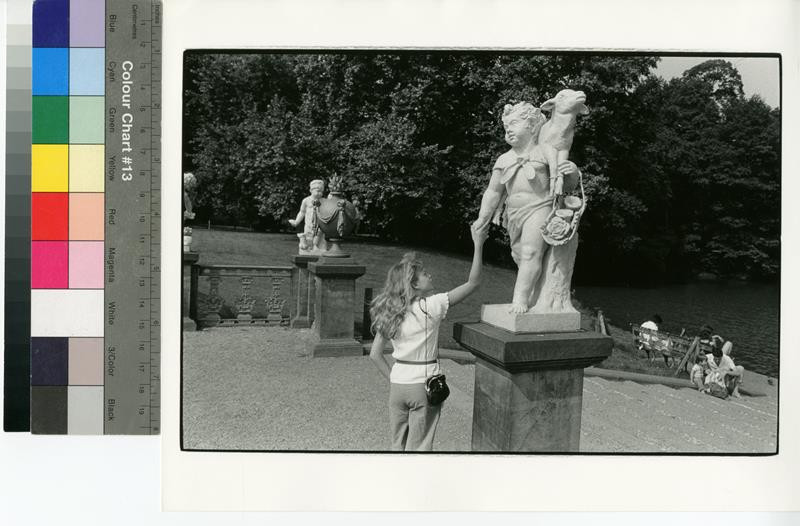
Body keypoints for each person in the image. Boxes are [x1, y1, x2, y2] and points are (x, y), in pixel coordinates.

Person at [369, 223, 488, 451]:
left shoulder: (390, 311)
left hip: (398, 386)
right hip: (423, 386)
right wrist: (478, 243)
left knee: (397, 446)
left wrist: (396, 379)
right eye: (424, 274)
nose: (428, 274)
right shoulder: (430, 307)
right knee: (420, 449)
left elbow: (375, 355)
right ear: (414, 283)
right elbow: (473, 283)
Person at [472, 101, 581, 313]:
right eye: (506, 127)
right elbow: (493, 192)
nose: (508, 130)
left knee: (531, 253)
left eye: (513, 124)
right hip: (514, 214)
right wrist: (482, 218)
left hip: (540, 207)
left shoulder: (545, 152)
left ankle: (520, 300)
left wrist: (573, 172)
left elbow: (565, 184)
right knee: (520, 255)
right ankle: (534, 296)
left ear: (531, 126)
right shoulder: (504, 159)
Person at [288, 179, 326, 253]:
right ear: (311, 190)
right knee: (309, 235)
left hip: (320, 223)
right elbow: (302, 212)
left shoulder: (323, 201)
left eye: (321, 191)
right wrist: (296, 221)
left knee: (318, 234)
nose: (319, 193)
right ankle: (305, 244)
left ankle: (316, 247)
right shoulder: (306, 200)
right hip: (309, 223)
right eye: (317, 191)